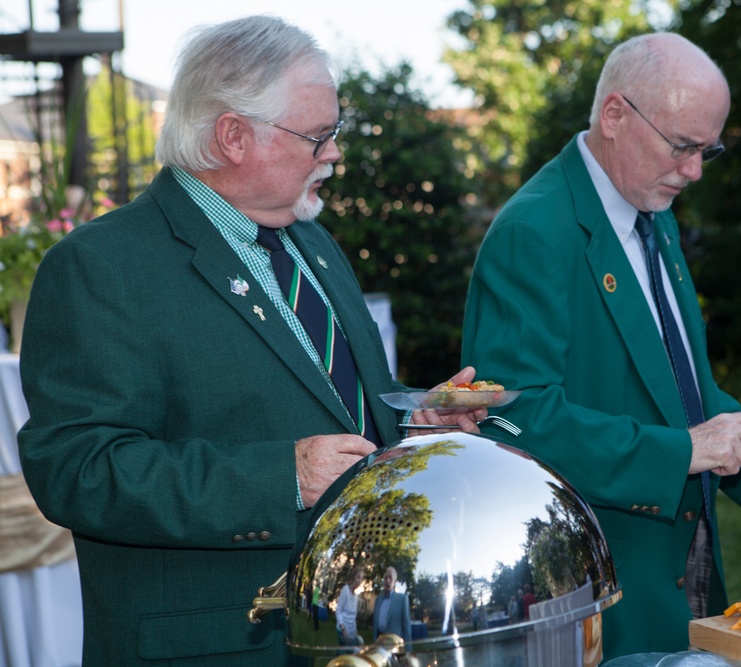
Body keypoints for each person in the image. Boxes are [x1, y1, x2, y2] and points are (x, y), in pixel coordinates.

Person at [16, 15, 484, 667]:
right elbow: (77, 471)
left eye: (333, 133)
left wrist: (416, 427)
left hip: (356, 636)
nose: (333, 154)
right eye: (317, 136)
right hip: (221, 645)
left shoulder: (313, 244)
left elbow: (335, 420)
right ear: (233, 135)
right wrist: (281, 477)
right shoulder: (100, 265)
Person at [461, 32, 741, 659]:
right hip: (600, 583)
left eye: (707, 150)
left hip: (680, 569)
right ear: (615, 115)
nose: (693, 171)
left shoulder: (652, 211)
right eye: (682, 146)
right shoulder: (533, 230)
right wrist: (683, 451)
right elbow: (512, 420)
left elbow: (679, 383)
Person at [372, 566, 411, 641]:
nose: (388, 580)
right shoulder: (378, 599)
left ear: (394, 582)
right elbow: (375, 624)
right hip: (379, 642)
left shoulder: (402, 599)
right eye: (386, 578)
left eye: (390, 578)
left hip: (394, 644)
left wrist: (408, 650)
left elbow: (407, 627)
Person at [336, 567, 365, 645]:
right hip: (343, 631)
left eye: (361, 578)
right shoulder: (345, 590)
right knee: (344, 654)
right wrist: (343, 630)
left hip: (352, 632)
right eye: (358, 577)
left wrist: (355, 632)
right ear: (353, 577)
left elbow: (353, 616)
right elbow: (338, 611)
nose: (359, 581)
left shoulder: (356, 596)